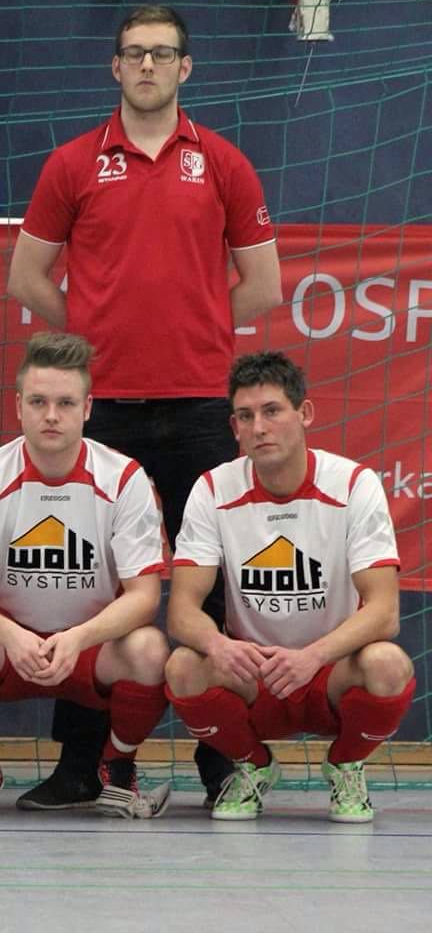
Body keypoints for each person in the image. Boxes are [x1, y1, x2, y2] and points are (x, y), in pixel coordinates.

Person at [6, 4, 282, 810]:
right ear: (116, 66)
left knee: (215, 585)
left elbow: (263, 284)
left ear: (185, 67)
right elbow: (26, 277)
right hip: (106, 412)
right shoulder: (73, 163)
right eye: (135, 54)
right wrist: (91, 337)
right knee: (90, 583)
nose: (149, 66)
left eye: (163, 54)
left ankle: (224, 763)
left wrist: (197, 329)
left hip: (200, 406)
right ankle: (79, 766)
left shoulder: (224, 162)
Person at [0, 332, 173, 818]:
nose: (51, 415)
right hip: (10, 649)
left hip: (88, 650)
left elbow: (145, 595)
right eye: (38, 402)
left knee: (150, 649)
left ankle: (116, 771)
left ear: (87, 408)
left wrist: (79, 638)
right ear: (18, 406)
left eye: (65, 403)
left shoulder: (124, 478)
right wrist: (11, 635)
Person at [166, 351, 412, 823]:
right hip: (255, 673)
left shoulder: (353, 484)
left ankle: (346, 765)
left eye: (272, 411)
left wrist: (313, 657)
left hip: (330, 671)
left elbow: (385, 612)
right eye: (245, 416)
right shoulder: (213, 489)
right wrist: (219, 645)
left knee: (388, 663)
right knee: (183, 666)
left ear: (305, 413)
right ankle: (253, 766)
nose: (259, 427)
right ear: (234, 427)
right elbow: (182, 612)